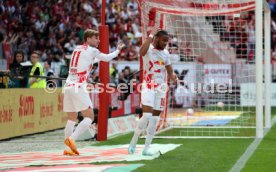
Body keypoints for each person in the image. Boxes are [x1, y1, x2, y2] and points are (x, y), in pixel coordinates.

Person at [63, 29, 125, 156]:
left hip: (68, 86)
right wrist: (118, 50)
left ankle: (68, 148)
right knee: (89, 117)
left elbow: (90, 60)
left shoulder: (77, 49)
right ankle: (72, 140)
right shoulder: (92, 50)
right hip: (79, 86)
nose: (99, 40)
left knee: (71, 119)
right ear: (88, 38)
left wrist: (97, 59)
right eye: (96, 38)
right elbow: (107, 58)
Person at [128, 29, 178, 155]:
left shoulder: (166, 53)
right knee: (147, 116)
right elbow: (141, 52)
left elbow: (170, 70)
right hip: (148, 85)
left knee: (155, 119)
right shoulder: (148, 49)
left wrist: (174, 77)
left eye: (167, 41)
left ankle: (146, 148)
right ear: (156, 39)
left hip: (161, 88)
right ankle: (133, 142)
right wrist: (150, 35)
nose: (166, 43)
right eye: (164, 40)